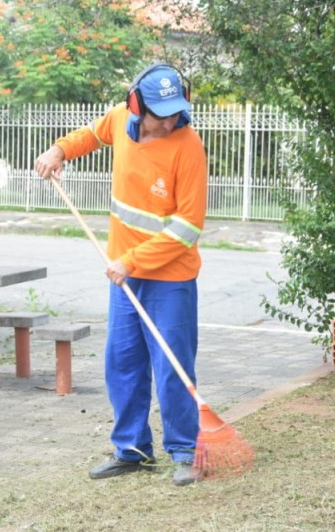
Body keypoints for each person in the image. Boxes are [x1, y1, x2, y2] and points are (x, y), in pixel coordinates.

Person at [33, 63, 208, 487]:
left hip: (169, 278)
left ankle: (185, 451)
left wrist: (132, 261)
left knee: (172, 366)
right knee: (123, 362)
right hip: (125, 277)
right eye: (160, 112)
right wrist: (58, 151)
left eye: (175, 111)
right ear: (136, 105)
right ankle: (131, 450)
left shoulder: (189, 146)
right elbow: (90, 135)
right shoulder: (118, 119)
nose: (169, 120)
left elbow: (188, 227)